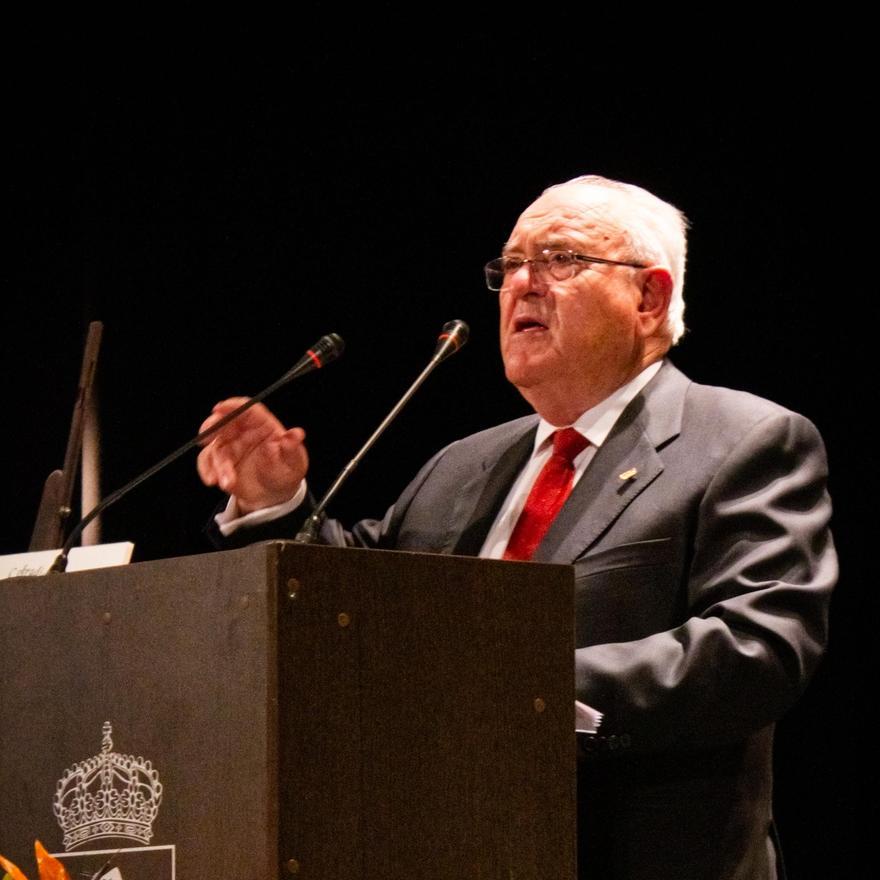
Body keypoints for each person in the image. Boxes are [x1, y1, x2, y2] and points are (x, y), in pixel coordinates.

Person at [197, 175, 836, 879]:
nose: (522, 284)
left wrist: (518, 692)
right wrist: (276, 504)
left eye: (560, 259)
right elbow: (349, 606)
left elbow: (758, 647)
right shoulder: (461, 465)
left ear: (649, 298)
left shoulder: (744, 441)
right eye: (509, 265)